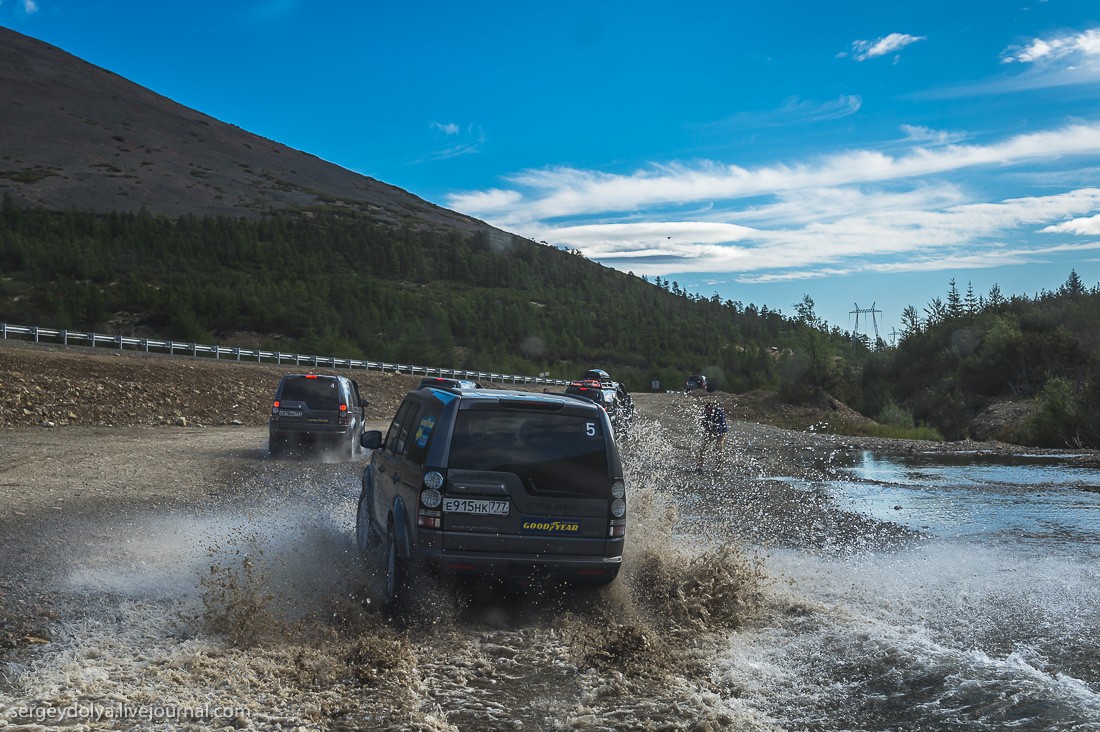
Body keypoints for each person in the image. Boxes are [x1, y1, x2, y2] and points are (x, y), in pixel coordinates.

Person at [696, 398, 728, 472]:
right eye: (707, 410)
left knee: (718, 447)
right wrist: (704, 423)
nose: (708, 412)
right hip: (711, 431)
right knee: (703, 447)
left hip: (721, 432)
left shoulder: (719, 412)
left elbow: (722, 425)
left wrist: (714, 424)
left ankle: (718, 468)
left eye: (709, 410)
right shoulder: (705, 413)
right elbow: (703, 424)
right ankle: (699, 466)